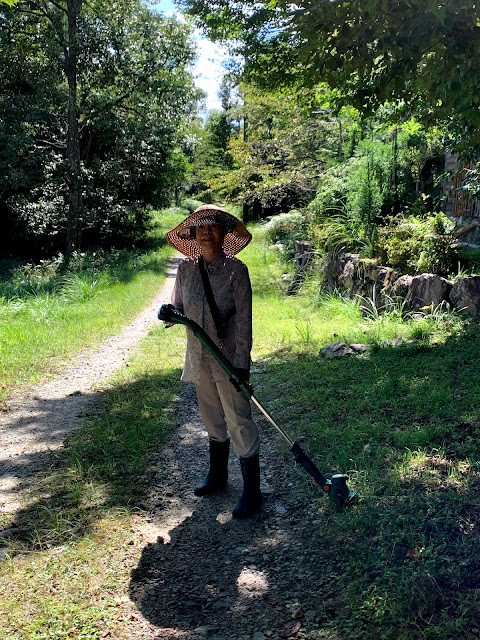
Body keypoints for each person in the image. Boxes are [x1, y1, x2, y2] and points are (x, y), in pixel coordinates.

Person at [165, 204, 262, 518]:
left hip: (228, 359)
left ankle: (253, 490)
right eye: (201, 227)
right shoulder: (185, 269)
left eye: (213, 227)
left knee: (239, 421)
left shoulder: (237, 271)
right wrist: (169, 314)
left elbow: (245, 322)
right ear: (193, 234)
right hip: (198, 357)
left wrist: (242, 363)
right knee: (211, 418)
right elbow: (178, 307)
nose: (207, 232)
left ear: (223, 233)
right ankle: (218, 475)